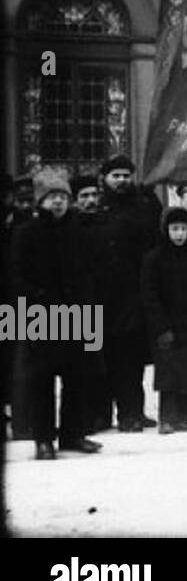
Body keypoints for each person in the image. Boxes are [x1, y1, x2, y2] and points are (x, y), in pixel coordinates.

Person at [11, 167, 104, 459]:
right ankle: (43, 439)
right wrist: (33, 300)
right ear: (40, 201)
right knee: (41, 379)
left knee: (77, 375)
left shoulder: (80, 231)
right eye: (52, 197)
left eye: (62, 196)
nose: (58, 202)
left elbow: (91, 272)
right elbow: (15, 276)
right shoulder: (27, 233)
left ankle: (73, 435)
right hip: (39, 315)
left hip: (76, 312)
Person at [94, 154, 162, 433]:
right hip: (103, 294)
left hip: (133, 292)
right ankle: (100, 414)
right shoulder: (97, 208)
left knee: (131, 359)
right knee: (103, 358)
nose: (121, 181)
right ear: (105, 179)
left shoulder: (144, 204)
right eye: (116, 176)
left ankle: (132, 412)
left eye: (126, 175)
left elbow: (154, 237)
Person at [141, 207, 187, 433]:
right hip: (167, 325)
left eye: (183, 229)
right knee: (169, 373)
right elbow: (149, 295)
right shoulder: (154, 258)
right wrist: (161, 326)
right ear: (166, 231)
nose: (179, 234)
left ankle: (185, 415)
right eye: (174, 229)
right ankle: (167, 417)